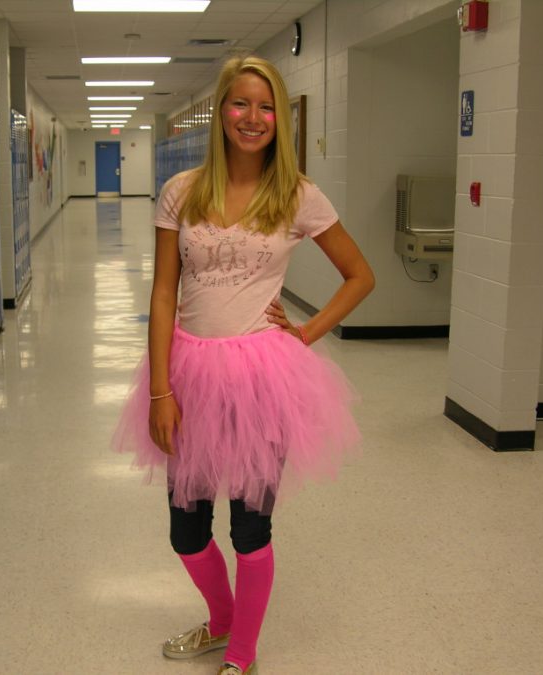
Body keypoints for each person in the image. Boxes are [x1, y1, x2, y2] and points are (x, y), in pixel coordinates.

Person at [112, 55, 375, 675]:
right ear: (221, 114)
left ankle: (242, 655)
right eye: (239, 104)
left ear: (279, 118)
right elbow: (162, 293)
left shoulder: (298, 196)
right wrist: (158, 390)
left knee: (251, 529)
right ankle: (222, 618)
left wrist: (306, 331)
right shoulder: (182, 192)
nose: (252, 118)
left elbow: (361, 275)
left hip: (263, 379)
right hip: (189, 376)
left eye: (265, 107)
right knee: (186, 528)